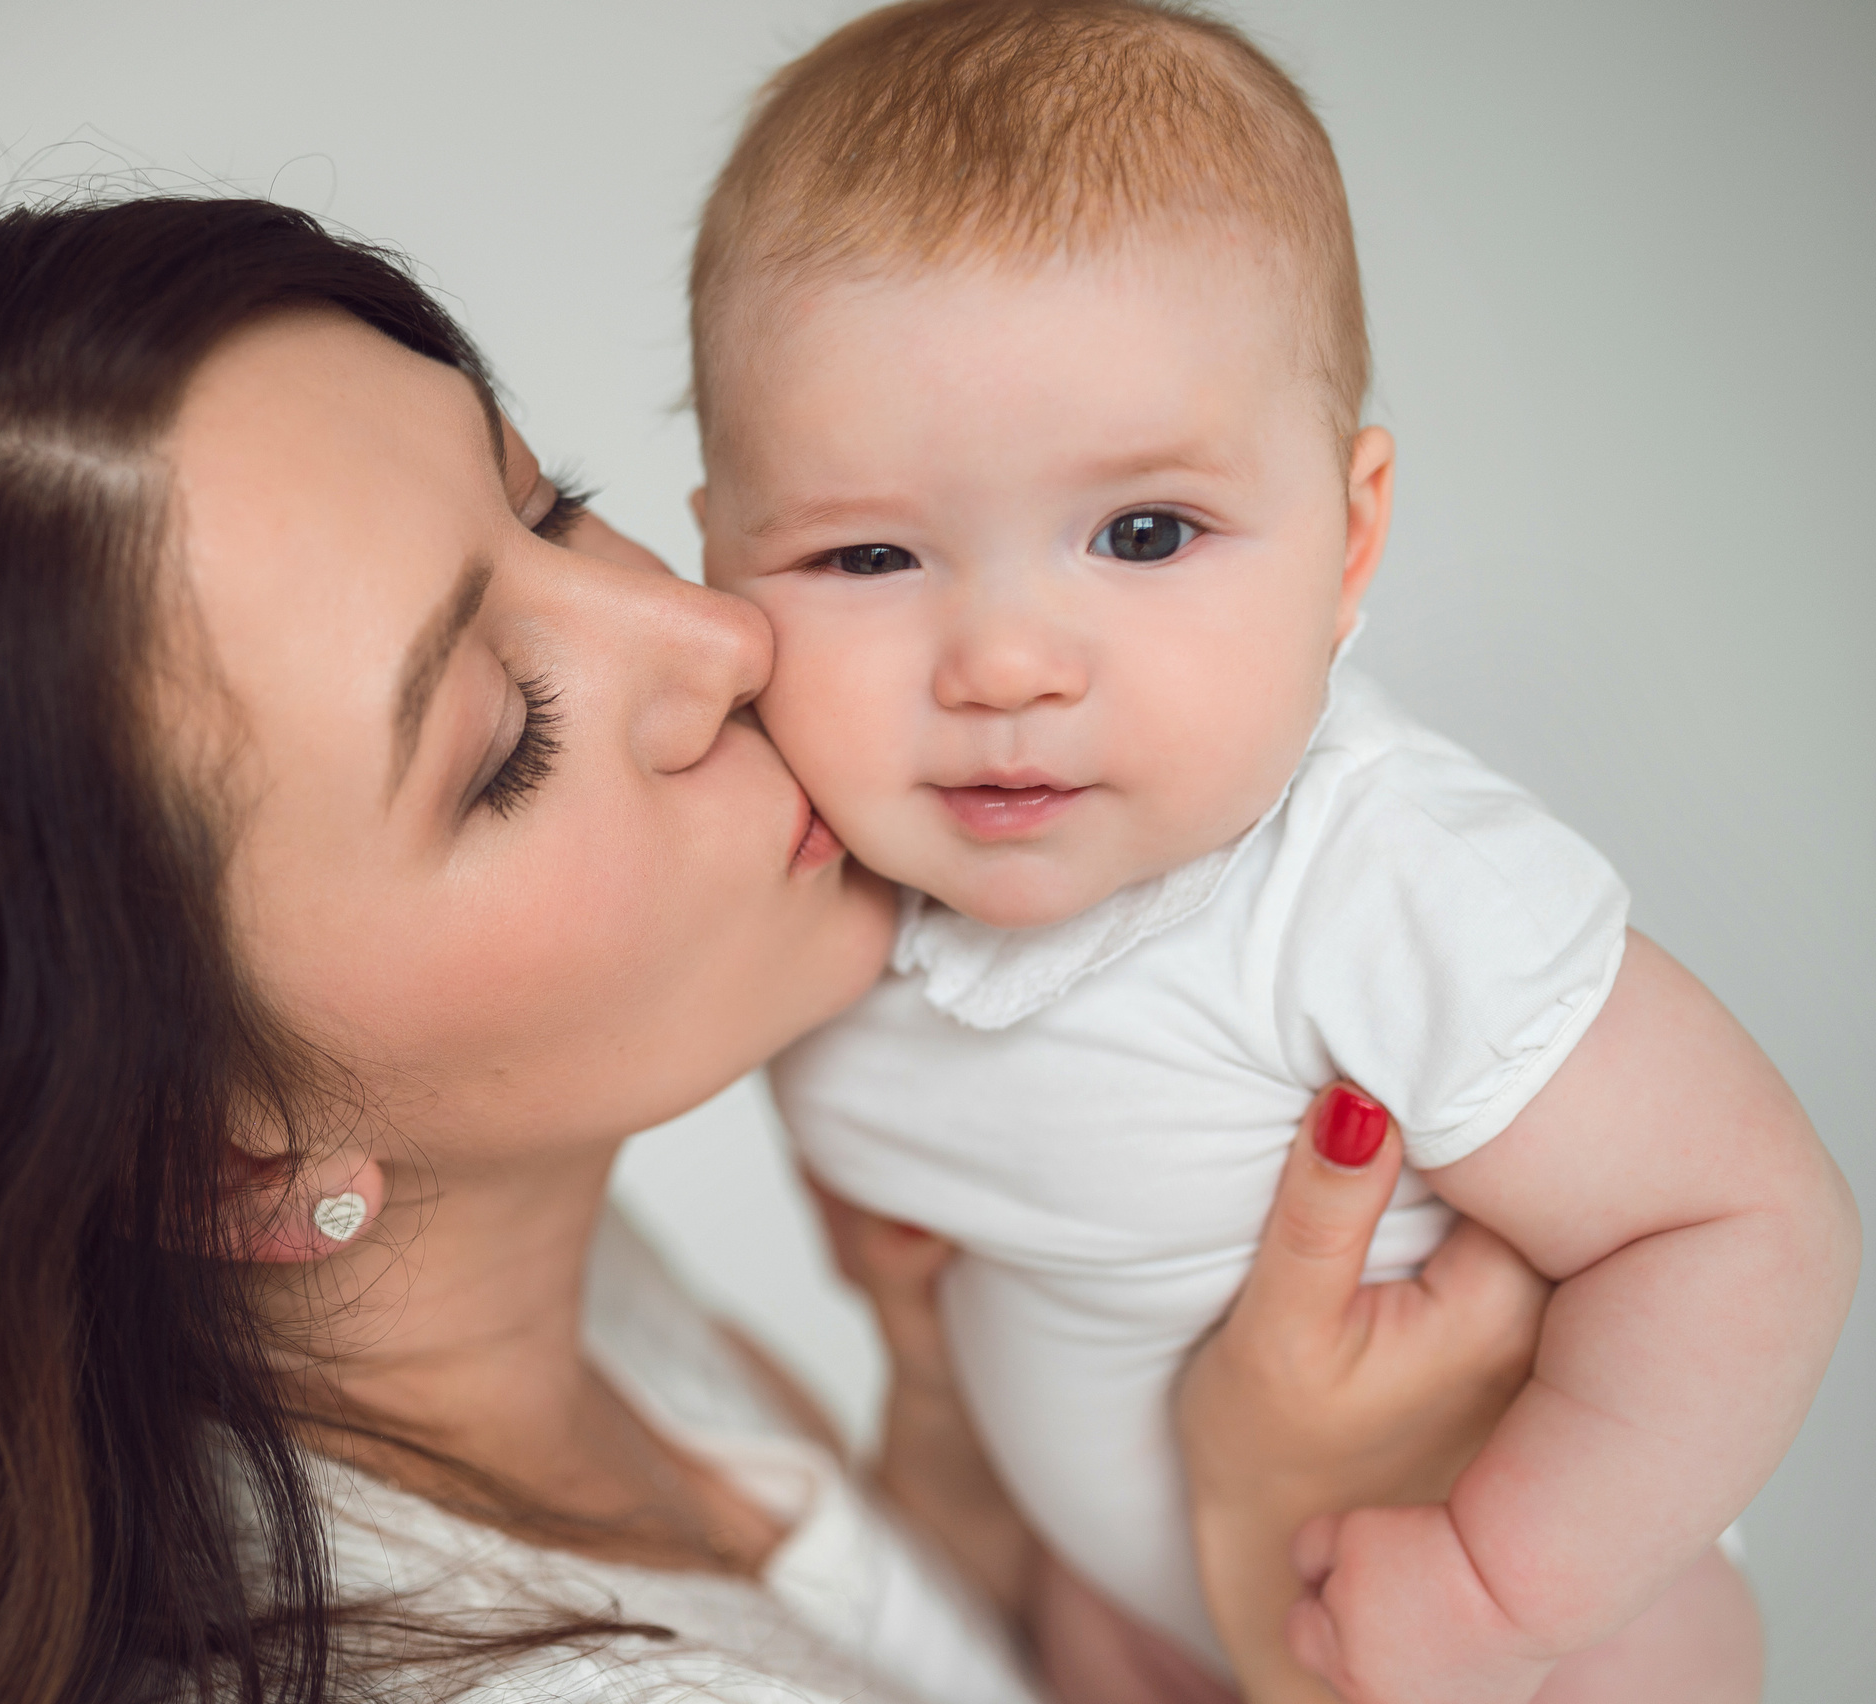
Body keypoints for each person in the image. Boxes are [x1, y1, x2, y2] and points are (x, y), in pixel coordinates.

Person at [0, 194, 1544, 1704]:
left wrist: (956, 1470)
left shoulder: (468, 1313)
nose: (719, 636)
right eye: (500, 748)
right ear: (217, 1163)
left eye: (553, 510)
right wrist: (1307, 1586)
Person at [684, 3, 1860, 1702]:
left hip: (1532, 1632)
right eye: (869, 556)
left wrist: (1501, 1580)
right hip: (1117, 1614)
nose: (1005, 664)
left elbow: (1751, 1222)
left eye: (1142, 533)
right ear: (717, 564)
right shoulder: (799, 909)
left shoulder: (1373, 880)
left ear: (1349, 538)